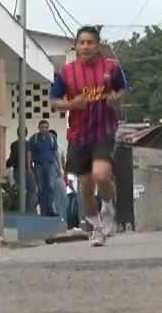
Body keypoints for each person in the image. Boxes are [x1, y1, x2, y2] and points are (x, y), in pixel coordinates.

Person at [50, 26, 127, 247]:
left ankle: (108, 205)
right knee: (84, 187)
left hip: (104, 130)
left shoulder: (111, 68)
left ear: (98, 45)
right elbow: (54, 101)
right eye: (81, 42)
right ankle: (97, 228)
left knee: (101, 175)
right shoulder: (66, 72)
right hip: (78, 134)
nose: (85, 46)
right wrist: (70, 104)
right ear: (76, 46)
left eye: (90, 42)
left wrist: (115, 98)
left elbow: (122, 90)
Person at [28, 120, 58, 216]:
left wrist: (56, 164)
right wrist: (29, 166)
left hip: (50, 165)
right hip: (39, 165)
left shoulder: (52, 138)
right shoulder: (35, 138)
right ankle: (43, 210)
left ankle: (51, 208)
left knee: (51, 186)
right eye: (42, 127)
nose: (44, 129)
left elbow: (55, 150)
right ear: (39, 128)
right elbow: (29, 152)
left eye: (46, 127)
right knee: (41, 188)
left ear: (48, 128)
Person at [5, 127, 38, 213]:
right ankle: (30, 209)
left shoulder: (13, 145)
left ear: (17, 133)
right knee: (32, 189)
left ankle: (19, 209)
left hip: (16, 170)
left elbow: (11, 158)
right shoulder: (28, 144)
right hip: (27, 170)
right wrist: (30, 168)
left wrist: (7, 165)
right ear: (26, 133)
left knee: (20, 190)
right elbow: (29, 156)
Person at [49, 129, 69, 222]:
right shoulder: (46, 148)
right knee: (52, 199)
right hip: (50, 176)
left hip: (59, 176)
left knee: (62, 199)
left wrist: (66, 176)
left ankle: (63, 219)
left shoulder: (60, 148)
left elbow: (64, 162)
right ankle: (56, 219)